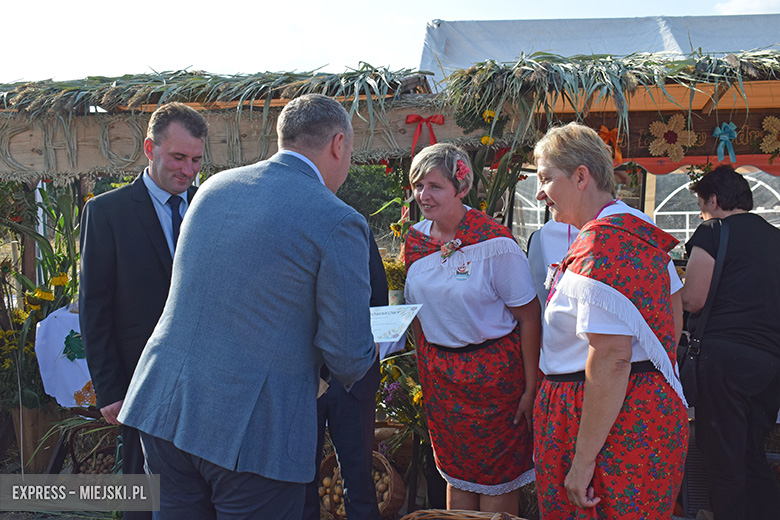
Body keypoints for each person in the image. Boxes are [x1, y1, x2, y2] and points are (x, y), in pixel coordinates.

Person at [118, 93, 377, 520]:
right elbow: (348, 354)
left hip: (165, 407)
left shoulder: (214, 188)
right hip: (252, 433)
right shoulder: (338, 219)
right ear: (337, 144)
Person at [532, 122, 688, 519]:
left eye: (547, 178)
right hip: (635, 408)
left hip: (602, 419)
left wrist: (583, 462)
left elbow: (612, 358)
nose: (539, 192)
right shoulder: (637, 232)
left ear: (581, 176)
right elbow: (673, 313)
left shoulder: (604, 244)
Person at [79, 102, 207, 520]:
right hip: (139, 381)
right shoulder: (107, 212)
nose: (188, 170)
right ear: (150, 148)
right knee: (141, 493)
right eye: (178, 157)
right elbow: (94, 308)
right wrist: (110, 388)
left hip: (205, 382)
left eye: (195, 160)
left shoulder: (211, 209)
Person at [402, 143, 541, 514]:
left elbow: (529, 317)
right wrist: (424, 369)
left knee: (495, 483)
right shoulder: (414, 240)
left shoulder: (495, 243)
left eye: (434, 186)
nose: (422, 195)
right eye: (418, 185)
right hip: (443, 381)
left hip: (496, 382)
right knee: (455, 476)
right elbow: (416, 312)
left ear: (461, 188)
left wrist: (531, 388)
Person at [681, 165, 780, 520]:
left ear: (715, 199)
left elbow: (694, 298)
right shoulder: (775, 237)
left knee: (723, 454)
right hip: (770, 361)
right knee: (752, 451)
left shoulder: (712, 230)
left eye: (702, 205)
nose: (700, 213)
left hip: (723, 360)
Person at [302, 231, 388, 520]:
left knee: (359, 482)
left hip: (353, 382)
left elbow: (378, 297)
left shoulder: (353, 229)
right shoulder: (291, 228)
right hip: (303, 378)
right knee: (302, 485)